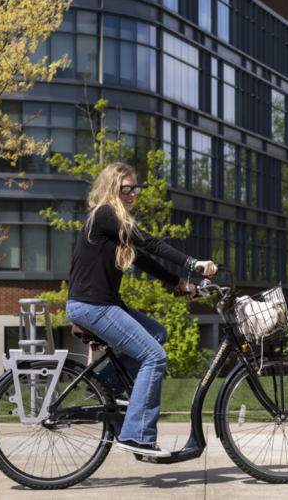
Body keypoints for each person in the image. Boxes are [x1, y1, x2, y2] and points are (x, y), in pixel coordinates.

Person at [65, 163, 217, 458]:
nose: (133, 193)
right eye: (127, 188)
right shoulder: (105, 214)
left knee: (157, 333)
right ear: (113, 188)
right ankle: (137, 436)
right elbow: (150, 242)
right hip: (92, 306)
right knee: (154, 356)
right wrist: (192, 263)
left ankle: (105, 387)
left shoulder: (114, 224)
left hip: (101, 304)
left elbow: (144, 259)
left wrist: (178, 285)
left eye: (136, 188)